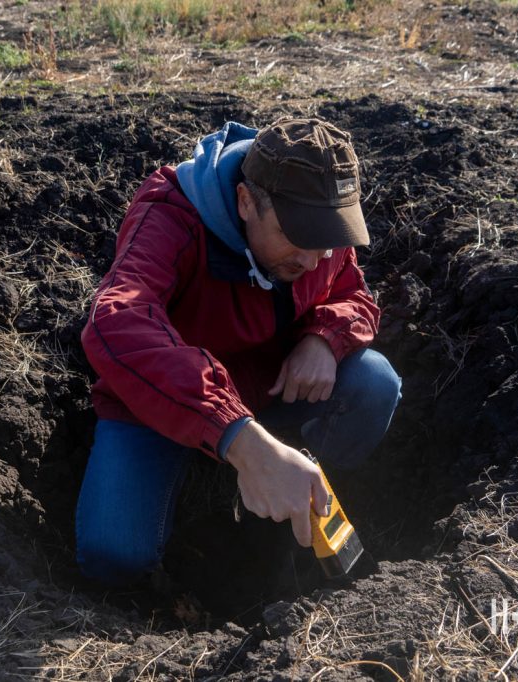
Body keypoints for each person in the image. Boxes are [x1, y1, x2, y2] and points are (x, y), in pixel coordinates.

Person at [76, 117, 402, 586]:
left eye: (328, 241)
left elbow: (353, 294)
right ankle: (240, 478)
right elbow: (116, 320)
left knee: (373, 383)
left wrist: (324, 339)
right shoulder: (172, 213)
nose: (313, 260)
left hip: (268, 389)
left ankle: (289, 513)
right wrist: (240, 439)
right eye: (299, 238)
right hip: (166, 403)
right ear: (247, 203)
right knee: (115, 555)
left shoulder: (319, 230)